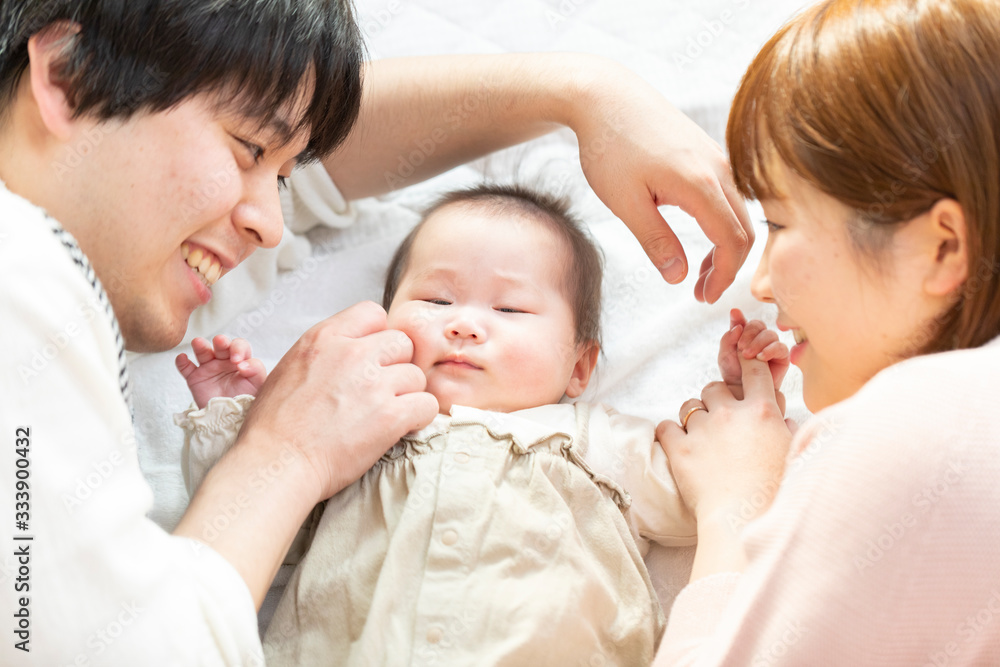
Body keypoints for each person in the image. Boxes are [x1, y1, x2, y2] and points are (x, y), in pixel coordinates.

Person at [0, 0, 752, 663]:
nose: (270, 223)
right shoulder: (26, 273)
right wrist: (280, 453)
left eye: (281, 178)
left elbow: (320, 177)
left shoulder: (66, 270)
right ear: (65, 74)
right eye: (249, 149)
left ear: (583, 364)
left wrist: (580, 92)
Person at [175, 183, 789, 665]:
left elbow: (701, 485)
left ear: (579, 366)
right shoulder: (356, 432)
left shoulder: (593, 441)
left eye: (510, 308)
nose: (464, 324)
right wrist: (236, 417)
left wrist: (740, 397)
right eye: (435, 300)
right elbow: (267, 525)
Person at [652, 0, 1000, 664]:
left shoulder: (916, 430)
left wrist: (738, 505)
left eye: (779, 223)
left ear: (942, 247)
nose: (760, 284)